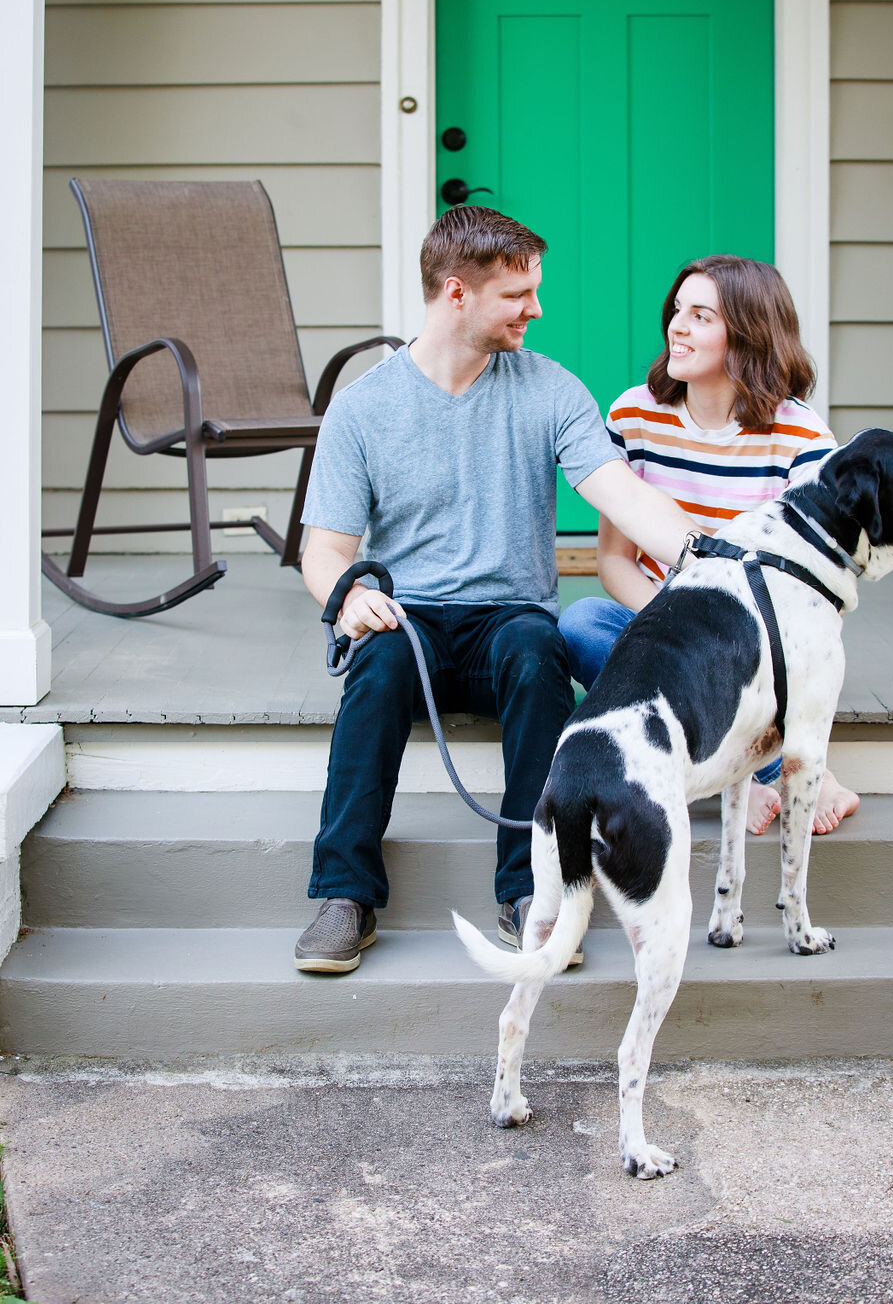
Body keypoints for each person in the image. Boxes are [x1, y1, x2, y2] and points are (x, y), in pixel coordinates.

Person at [294, 205, 705, 973]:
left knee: (536, 644)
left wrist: (701, 558)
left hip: (506, 621)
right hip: (407, 623)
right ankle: (344, 895)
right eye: (518, 295)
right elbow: (325, 551)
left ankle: (530, 892)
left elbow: (620, 493)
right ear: (457, 294)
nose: (536, 309)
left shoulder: (550, 390)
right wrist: (349, 599)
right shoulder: (362, 408)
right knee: (375, 664)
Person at [558, 253, 861, 837]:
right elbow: (615, 562)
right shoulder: (634, 415)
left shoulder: (801, 436)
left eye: (701, 316)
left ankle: (744, 773)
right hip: (663, 619)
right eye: (677, 311)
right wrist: (674, 626)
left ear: (747, 334)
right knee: (582, 627)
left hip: (754, 641)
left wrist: (718, 638)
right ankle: (744, 775)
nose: (677, 326)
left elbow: (807, 587)